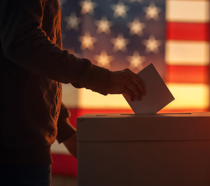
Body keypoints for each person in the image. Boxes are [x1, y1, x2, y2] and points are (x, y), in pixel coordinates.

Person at [0, 0, 146, 185]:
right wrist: (104, 80)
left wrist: (63, 128)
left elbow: (32, 71)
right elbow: (23, 42)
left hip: (23, 151)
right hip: (14, 158)